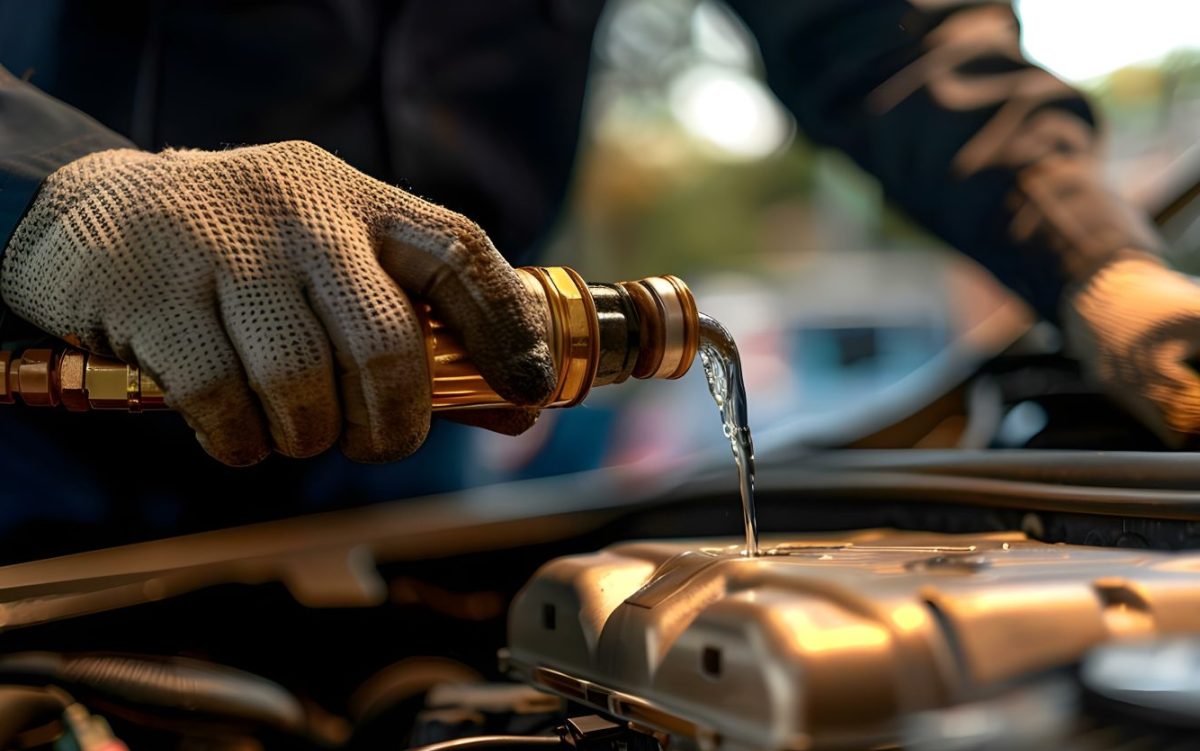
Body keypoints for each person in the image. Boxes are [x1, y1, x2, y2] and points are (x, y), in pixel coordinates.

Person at [0, 1, 1195, 555]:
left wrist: (1101, 265)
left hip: (401, 487)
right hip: (31, 487)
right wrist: (55, 185)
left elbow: (881, 31)